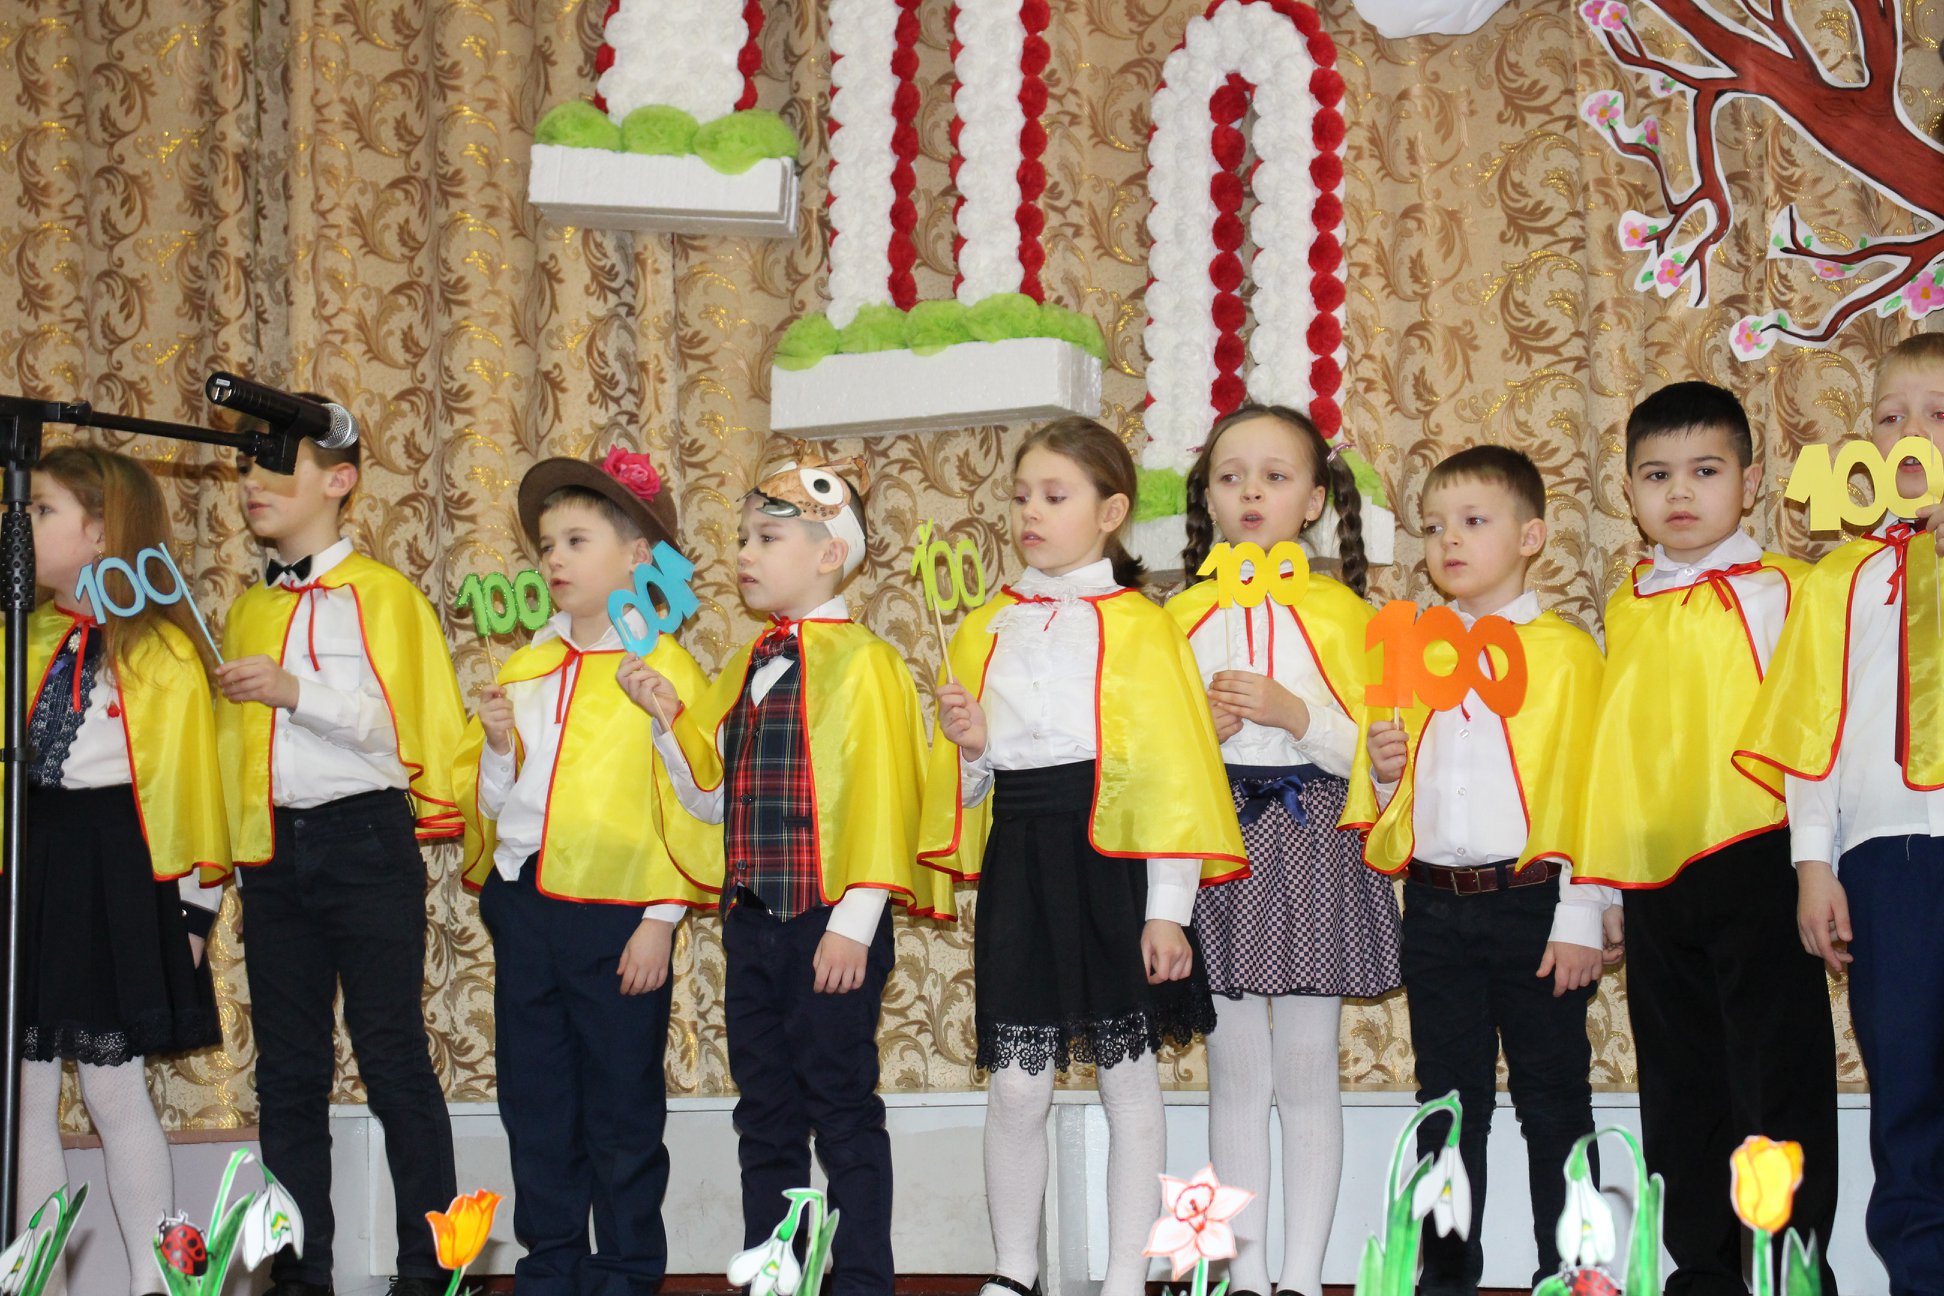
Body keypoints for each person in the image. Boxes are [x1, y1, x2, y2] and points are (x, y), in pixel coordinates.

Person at [917, 417, 1246, 1296]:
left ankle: (1125, 1277)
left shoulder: (1145, 627)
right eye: (1021, 495)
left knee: (1129, 1081)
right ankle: (1014, 1271)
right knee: (1017, 1087)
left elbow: (1174, 775)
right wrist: (972, 747)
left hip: (1116, 861)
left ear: (1110, 512)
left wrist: (1168, 911)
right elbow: (970, 789)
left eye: (1054, 496)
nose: (1030, 511)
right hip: (1023, 855)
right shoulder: (987, 626)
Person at [622, 449, 949, 1294]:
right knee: (765, 1111)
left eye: (766, 538)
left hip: (828, 924)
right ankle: (776, 1270)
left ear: (830, 553)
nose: (744, 553)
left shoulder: (868, 663)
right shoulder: (747, 663)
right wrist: (666, 720)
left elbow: (883, 796)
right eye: (742, 538)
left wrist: (854, 924)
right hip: (753, 923)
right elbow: (710, 800)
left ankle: (862, 1279)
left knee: (841, 1109)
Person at [1576, 381, 1837, 1296]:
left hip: (1761, 857)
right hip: (1656, 874)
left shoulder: (1789, 592)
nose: (1679, 491)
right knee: (1678, 1079)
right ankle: (1701, 1269)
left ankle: (1786, 1265)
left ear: (1750, 482)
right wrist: (1599, 889)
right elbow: (1613, 750)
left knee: (1776, 1075)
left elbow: (1812, 735)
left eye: (1705, 470)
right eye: (1656, 475)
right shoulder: (1627, 606)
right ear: (1628, 492)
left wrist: (1815, 865)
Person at [1344, 445, 1614, 1292]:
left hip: (1534, 906)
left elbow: (1593, 787)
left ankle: (1574, 1272)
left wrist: (1583, 910)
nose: (1448, 541)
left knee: (1554, 1099)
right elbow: (1390, 789)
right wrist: (1384, 768)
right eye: (1433, 527)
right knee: (1447, 1105)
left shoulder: (1566, 654)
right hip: (1434, 906)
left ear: (1531, 536)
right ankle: (1448, 1275)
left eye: (1472, 521)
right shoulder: (1413, 652)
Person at [454, 449, 718, 1296]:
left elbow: (700, 803)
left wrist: (661, 919)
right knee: (535, 1100)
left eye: (575, 541)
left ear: (636, 557)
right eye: (546, 546)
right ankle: (551, 1264)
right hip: (526, 904)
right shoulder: (525, 667)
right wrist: (498, 745)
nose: (554, 560)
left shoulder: (666, 669)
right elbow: (493, 801)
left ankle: (628, 1269)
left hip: (618, 916)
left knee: (621, 1107)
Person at [213, 417, 463, 1296]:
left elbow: (409, 735)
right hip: (274, 852)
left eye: (276, 467)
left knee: (392, 1056)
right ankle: (299, 1276)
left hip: (364, 838)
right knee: (287, 1073)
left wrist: (297, 693)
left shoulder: (385, 598)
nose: (253, 483)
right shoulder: (248, 608)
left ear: (340, 481)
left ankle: (430, 1274)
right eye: (247, 469)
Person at [1166, 405, 1397, 1296]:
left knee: (1305, 1066)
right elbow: (1151, 755)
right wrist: (1202, 730)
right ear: (1208, 498)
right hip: (1217, 847)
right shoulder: (1177, 617)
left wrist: (1295, 715)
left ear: (1314, 499)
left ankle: (1301, 1276)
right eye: (1230, 478)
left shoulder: (1348, 615)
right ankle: (1243, 1273)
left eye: (1275, 475)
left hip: (1311, 837)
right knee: (1232, 1071)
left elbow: (1377, 754)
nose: (1252, 492)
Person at [1736, 333, 1944, 1291]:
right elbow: (1809, 732)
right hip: (1885, 861)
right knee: (1906, 1086)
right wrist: (1813, 863)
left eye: (1939, 414)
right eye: (1891, 417)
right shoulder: (1840, 581)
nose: (1913, 433)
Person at [16, 447, 229, 1296]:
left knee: (112, 1088)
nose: (21, 524)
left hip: (113, 876)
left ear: (103, 532)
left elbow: (194, 791)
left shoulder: (161, 655)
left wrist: (194, 914)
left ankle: (156, 1281)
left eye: (41, 510)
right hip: (30, 873)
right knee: (23, 1097)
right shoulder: (19, 638)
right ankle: (35, 1280)